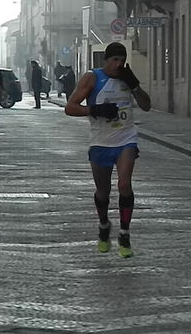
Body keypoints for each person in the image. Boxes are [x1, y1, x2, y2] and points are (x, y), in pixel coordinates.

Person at [65, 42, 151, 258]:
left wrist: (135, 85)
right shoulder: (92, 78)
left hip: (126, 138)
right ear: (106, 60)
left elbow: (147, 105)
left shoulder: (126, 78)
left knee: (124, 184)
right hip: (100, 142)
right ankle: (104, 226)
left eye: (122, 60)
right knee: (103, 191)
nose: (118, 64)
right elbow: (70, 107)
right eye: (115, 60)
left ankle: (124, 232)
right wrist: (95, 109)